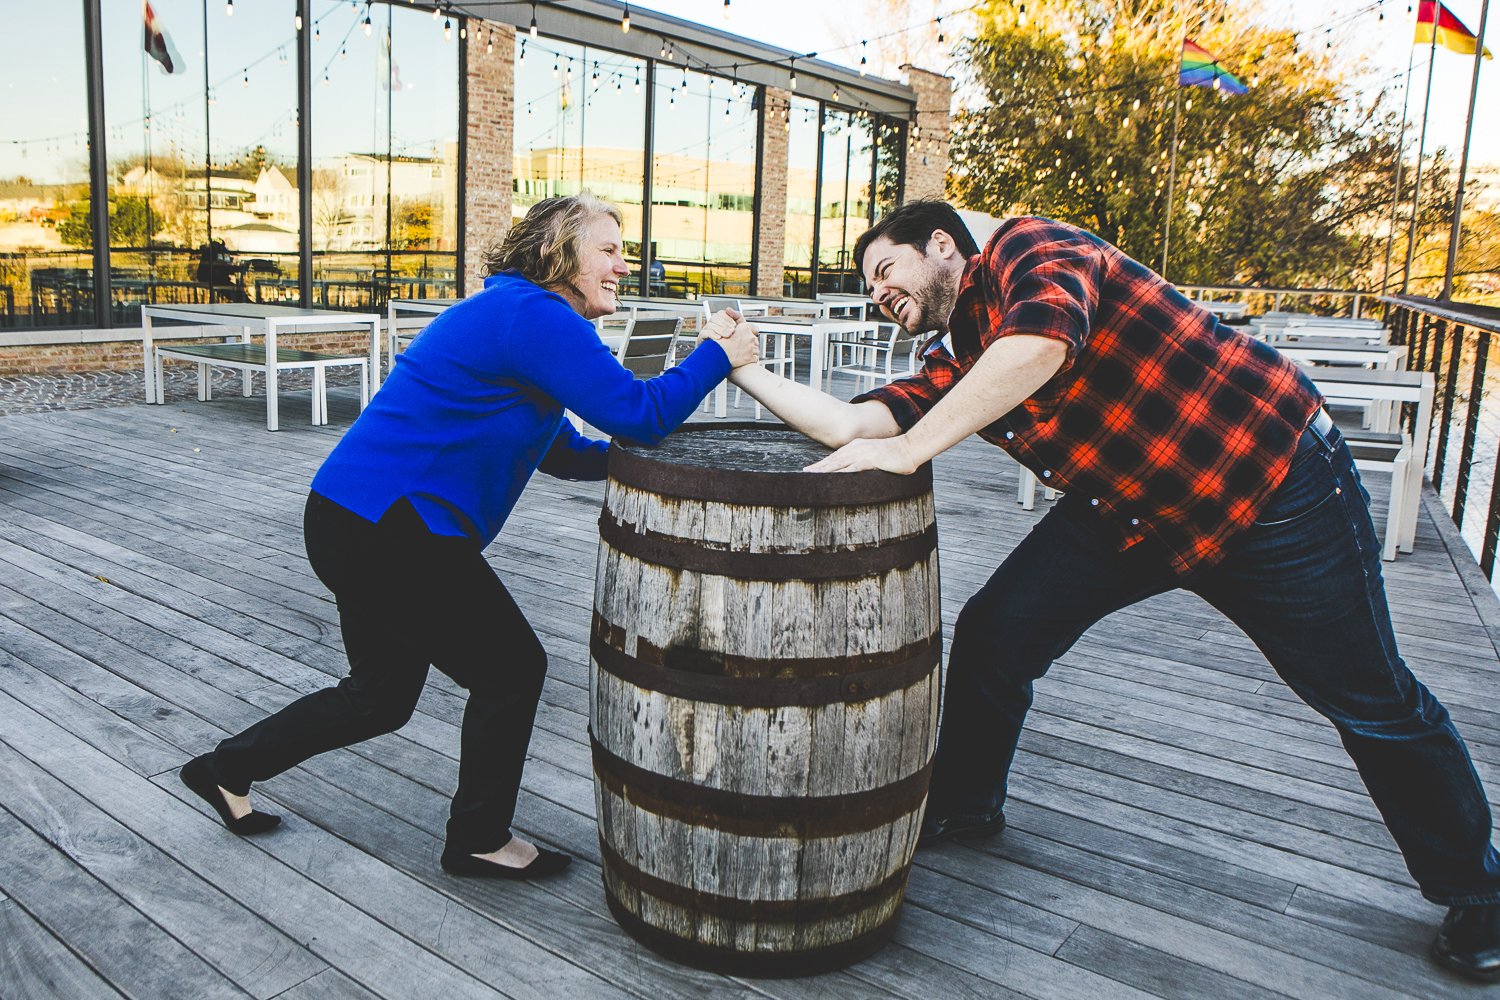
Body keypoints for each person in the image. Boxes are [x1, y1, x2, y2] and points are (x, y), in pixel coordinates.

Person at [726, 199, 1500, 981]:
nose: (879, 293)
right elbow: (850, 425)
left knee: (1368, 698)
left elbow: (1041, 345)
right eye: (869, 287)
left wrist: (916, 450)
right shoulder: (959, 353)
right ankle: (965, 803)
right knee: (998, 631)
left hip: (1270, 487)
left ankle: (1480, 887)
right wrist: (743, 364)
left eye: (886, 270)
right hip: (1134, 509)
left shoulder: (1034, 247)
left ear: (940, 246)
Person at [180, 193, 757, 879]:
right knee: (511, 670)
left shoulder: (521, 316)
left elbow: (567, 451)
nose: (623, 266)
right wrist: (716, 356)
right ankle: (479, 838)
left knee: (379, 698)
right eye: (609, 250)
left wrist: (652, 464)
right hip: (391, 527)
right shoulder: (532, 315)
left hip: (355, 518)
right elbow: (638, 411)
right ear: (559, 253)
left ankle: (225, 768)